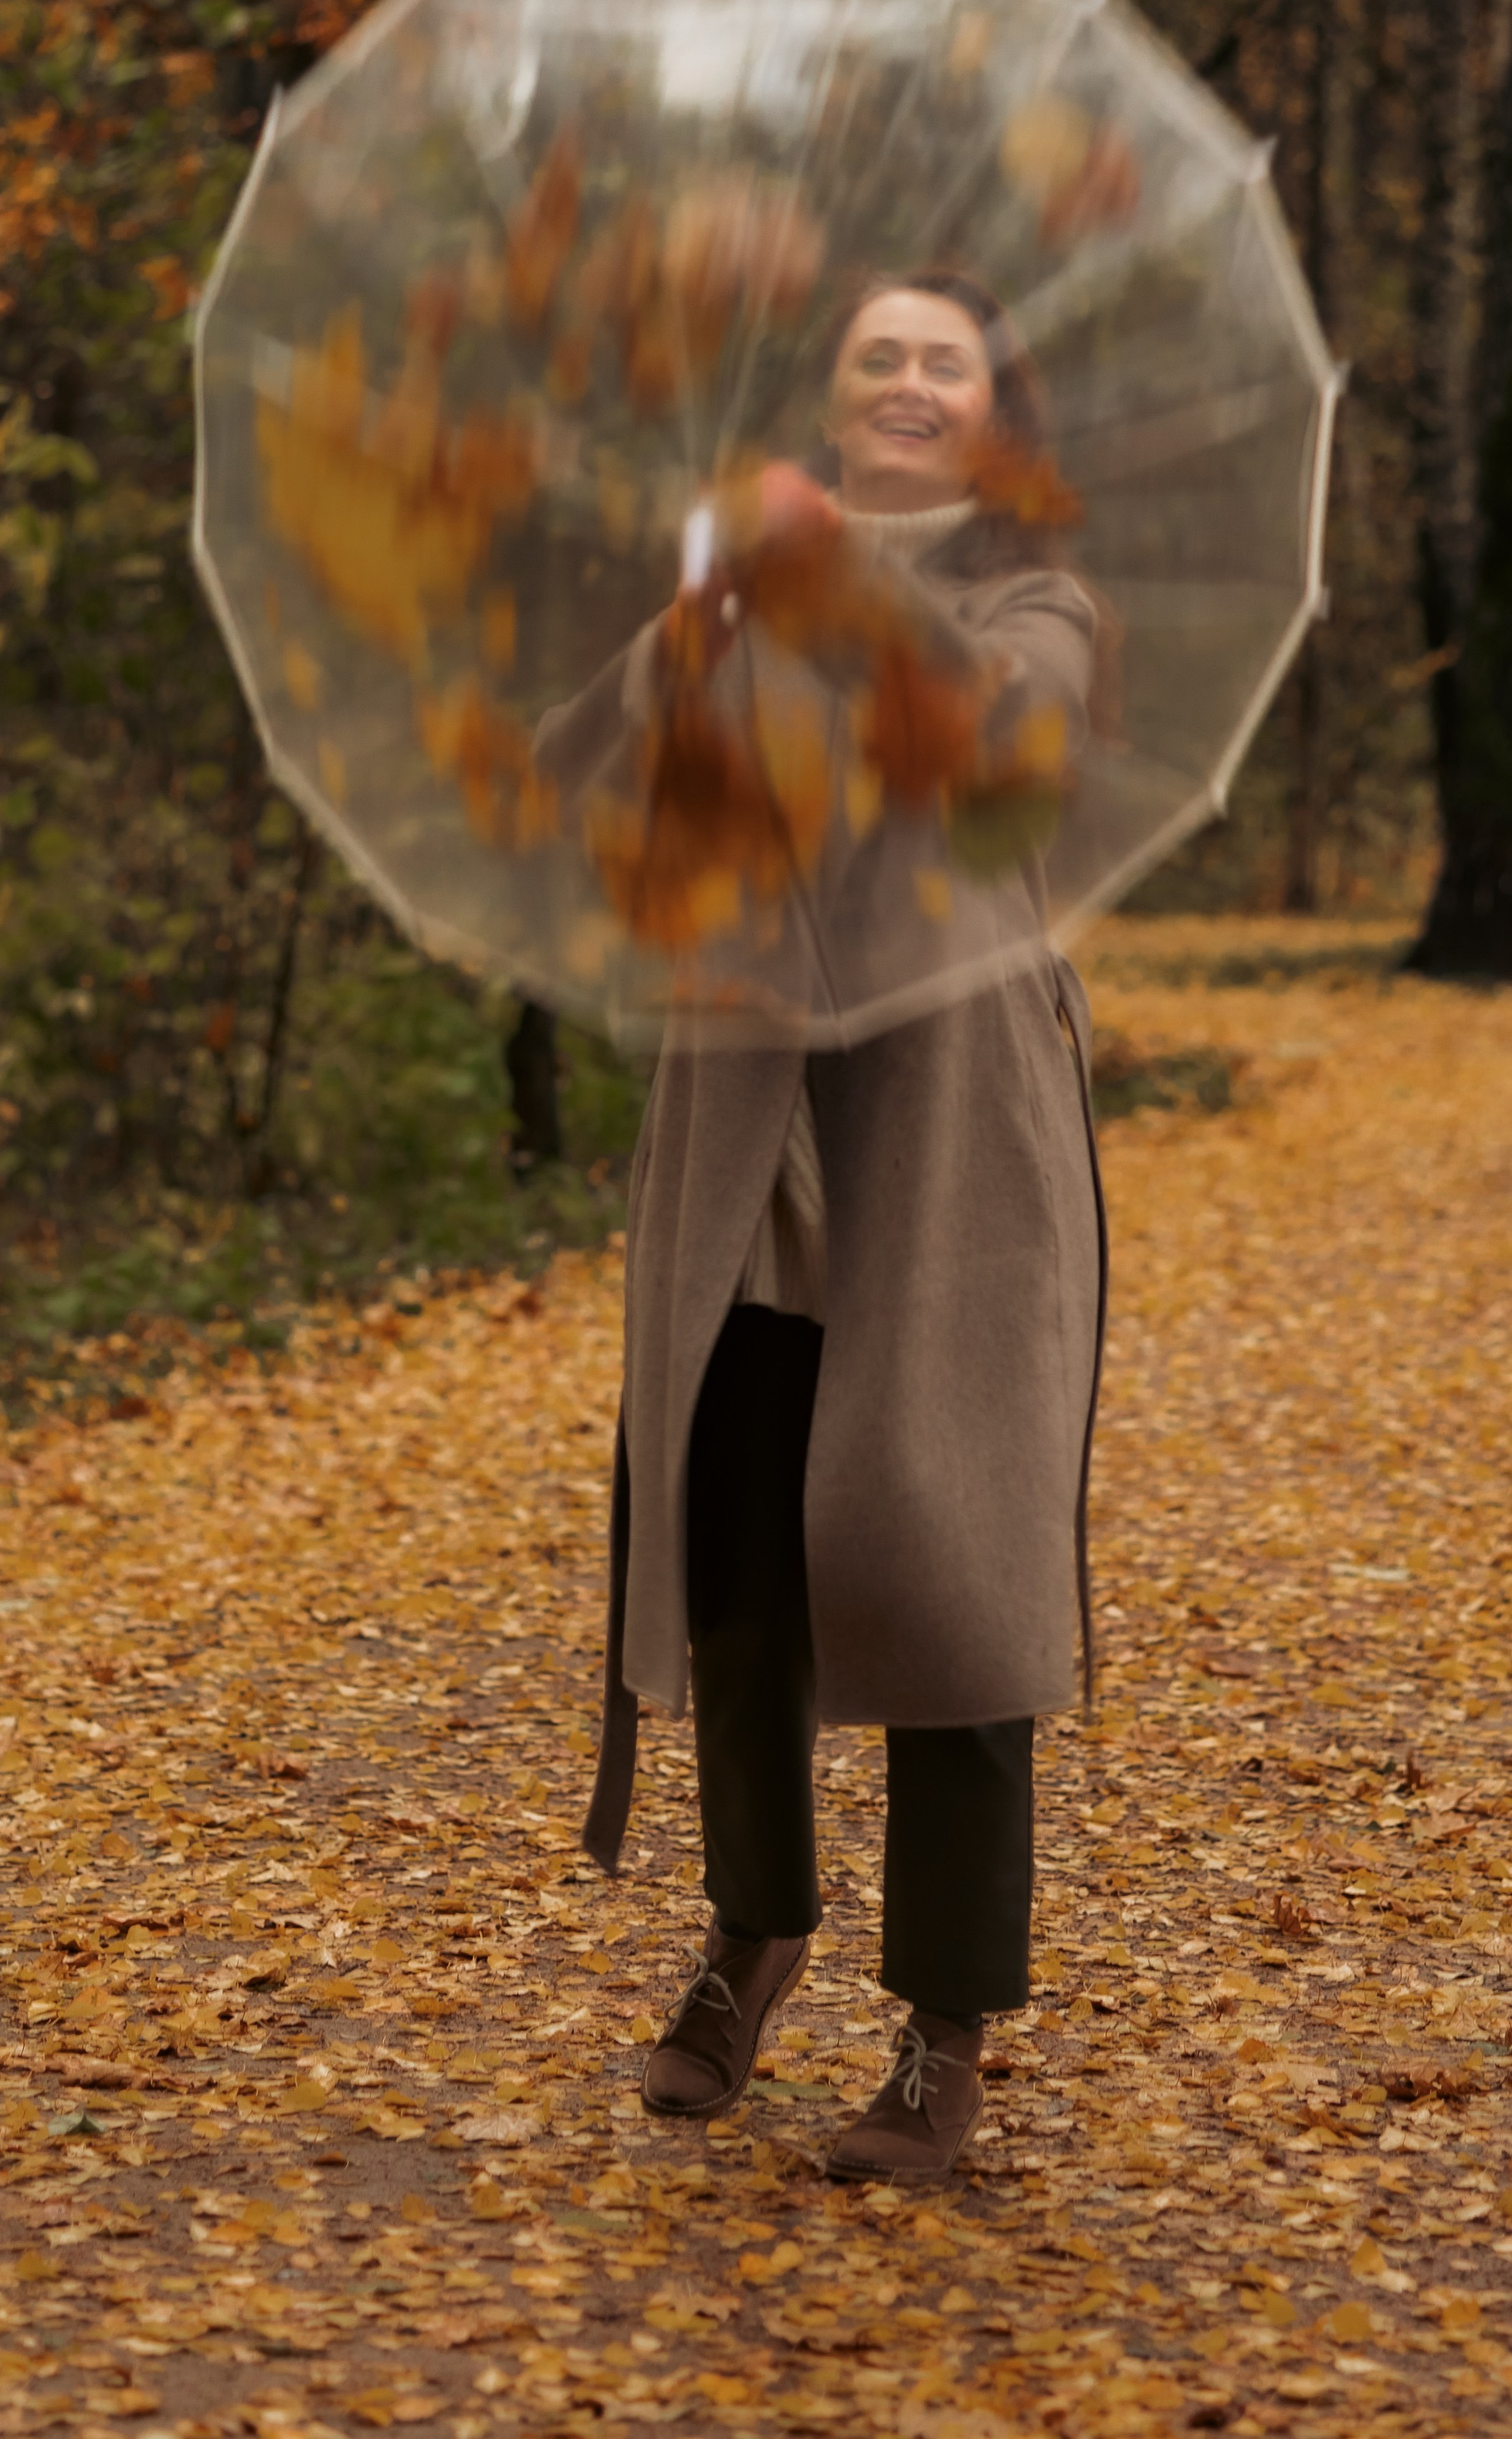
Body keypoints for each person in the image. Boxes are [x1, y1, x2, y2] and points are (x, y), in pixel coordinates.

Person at [541, 270, 1108, 2185]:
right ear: (831, 400)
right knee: (738, 1549)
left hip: (948, 1138)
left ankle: (942, 2037)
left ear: (989, 415)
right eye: (876, 357)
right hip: (747, 1123)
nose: (908, 382)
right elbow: (584, 775)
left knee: (951, 1557)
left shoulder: (1037, 606)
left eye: (943, 359)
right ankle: (753, 1932)